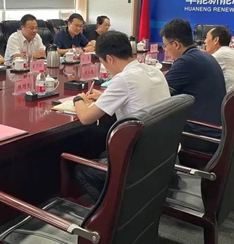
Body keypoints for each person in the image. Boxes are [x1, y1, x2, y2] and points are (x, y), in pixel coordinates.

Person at [72, 31, 171, 201]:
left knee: (81, 170)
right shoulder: (153, 70)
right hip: (163, 153)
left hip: (140, 159)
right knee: (104, 153)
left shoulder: (123, 79)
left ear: (109, 59)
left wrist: (78, 100)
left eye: (103, 63)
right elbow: (135, 95)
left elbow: (86, 117)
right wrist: (105, 96)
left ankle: (115, 209)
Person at [161, 18, 226, 154]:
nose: (165, 50)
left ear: (176, 44)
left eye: (165, 46)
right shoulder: (204, 56)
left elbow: (160, 93)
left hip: (201, 135)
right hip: (216, 130)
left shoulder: (186, 62)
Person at [205, 26, 234, 92]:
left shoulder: (220, 55)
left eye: (206, 37)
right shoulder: (231, 52)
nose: (204, 41)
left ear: (215, 40)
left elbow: (201, 70)